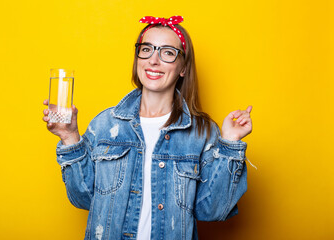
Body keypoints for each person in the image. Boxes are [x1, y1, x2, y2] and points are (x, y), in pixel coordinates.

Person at [42, 16, 253, 240]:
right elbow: (83, 198)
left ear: (183, 68)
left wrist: (230, 144)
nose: (154, 60)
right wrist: (69, 137)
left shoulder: (203, 132)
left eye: (168, 53)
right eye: (147, 49)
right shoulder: (104, 125)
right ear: (137, 59)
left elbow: (211, 211)